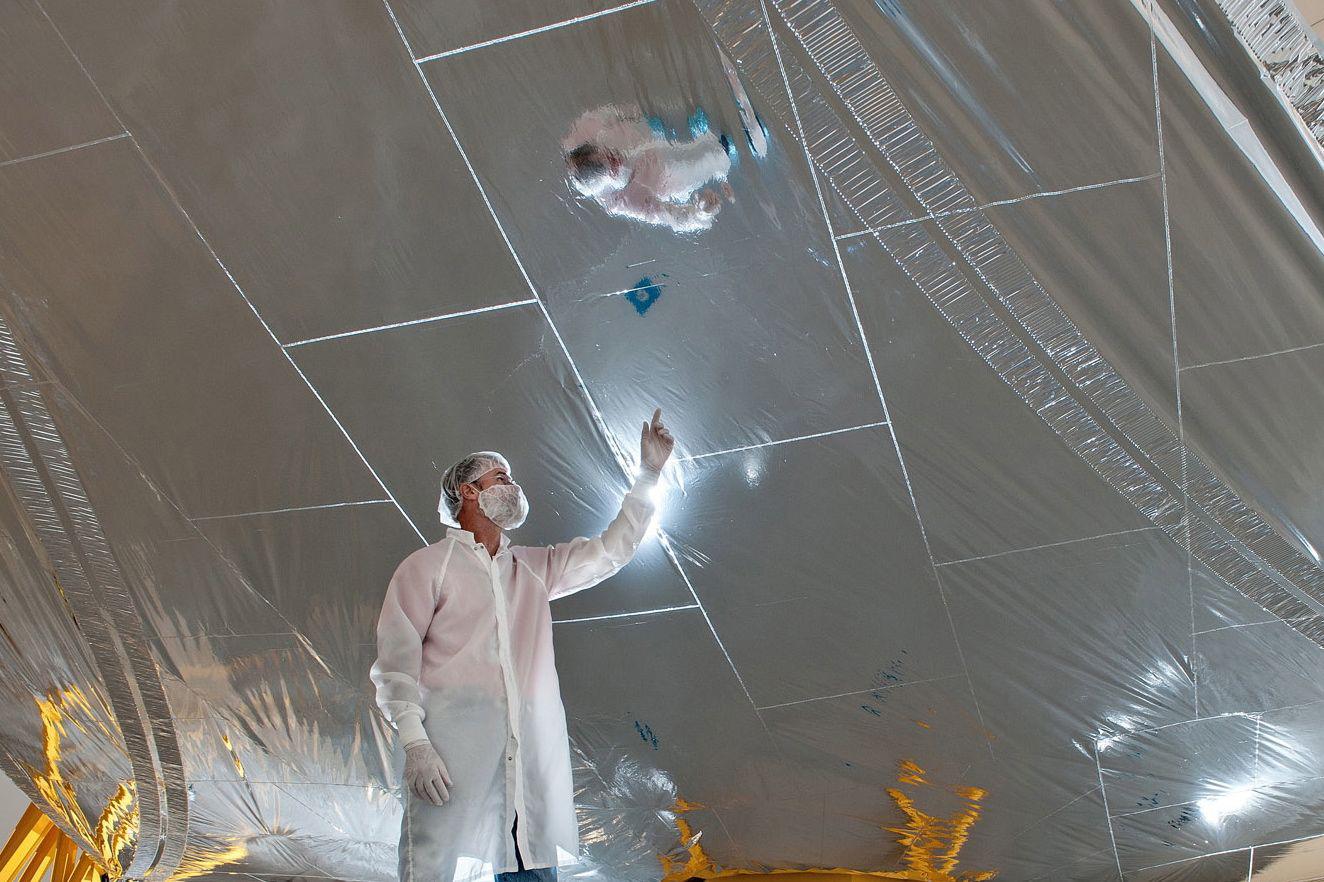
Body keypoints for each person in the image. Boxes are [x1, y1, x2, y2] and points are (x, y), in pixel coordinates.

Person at [371, 410, 676, 882]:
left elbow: (612, 549)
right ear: (467, 492)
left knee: (530, 865)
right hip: (455, 771)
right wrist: (415, 743)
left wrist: (649, 474)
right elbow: (395, 667)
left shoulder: (533, 569)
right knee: (443, 867)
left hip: (526, 784)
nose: (512, 486)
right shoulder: (426, 568)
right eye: (500, 477)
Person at [563, 104, 735, 232]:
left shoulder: (586, 130)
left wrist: (641, 111)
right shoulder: (622, 201)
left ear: (596, 146)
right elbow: (672, 218)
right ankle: (721, 152)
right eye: (613, 168)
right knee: (718, 154)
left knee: (673, 116)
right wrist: (701, 213)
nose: (618, 160)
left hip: (650, 131)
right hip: (666, 175)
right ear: (608, 182)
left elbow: (616, 111)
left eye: (610, 154)